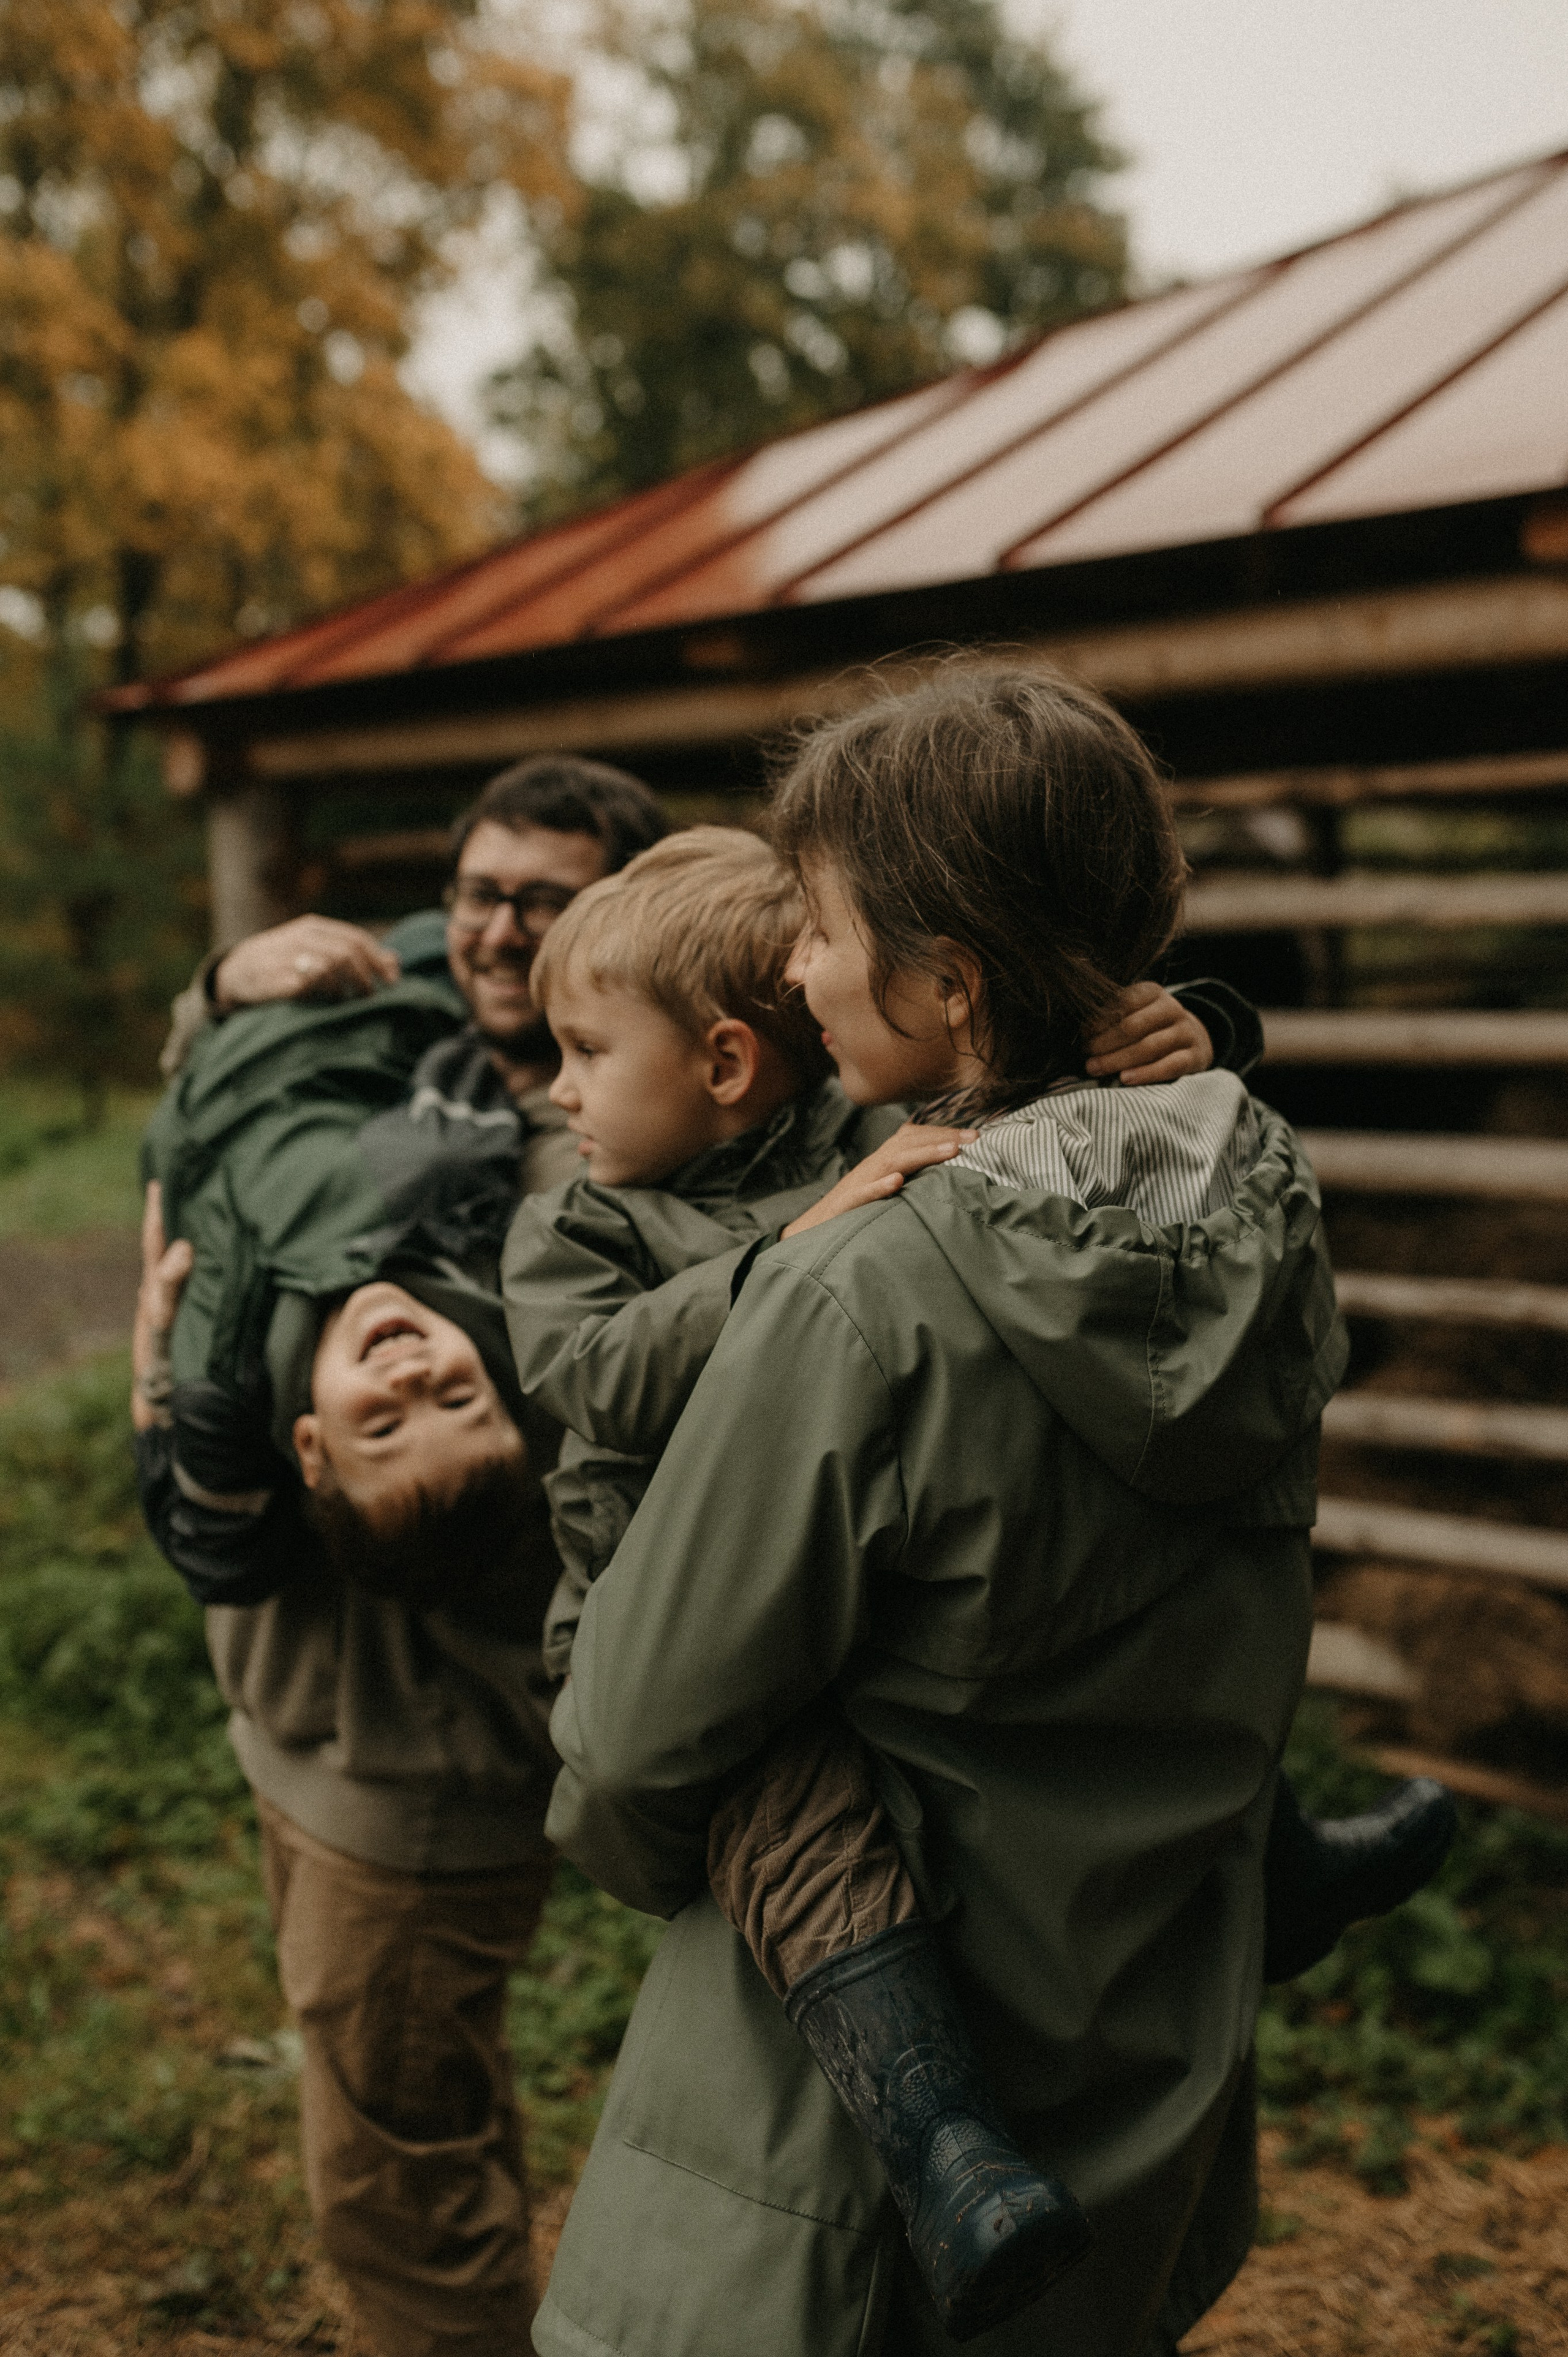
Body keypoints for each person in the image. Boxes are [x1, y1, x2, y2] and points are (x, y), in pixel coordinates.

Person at [527, 666, 1425, 2357]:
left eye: (822, 929)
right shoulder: (1265, 1217)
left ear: (946, 984)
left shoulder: (860, 1297)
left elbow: (638, 1737)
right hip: (1134, 2057)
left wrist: (642, 1821)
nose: (796, 969)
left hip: (837, 2180)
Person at [134, 755, 668, 2357]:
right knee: (418, 2096)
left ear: (621, 928)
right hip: (303, 1713)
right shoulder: (426, 1032)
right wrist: (225, 980)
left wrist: (196, 1392)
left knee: (397, 2162)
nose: (495, 934)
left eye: (543, 903)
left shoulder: (622, 1149)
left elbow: (462, 1444)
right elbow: (237, 1077)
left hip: (422, 1749)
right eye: (475, 893)